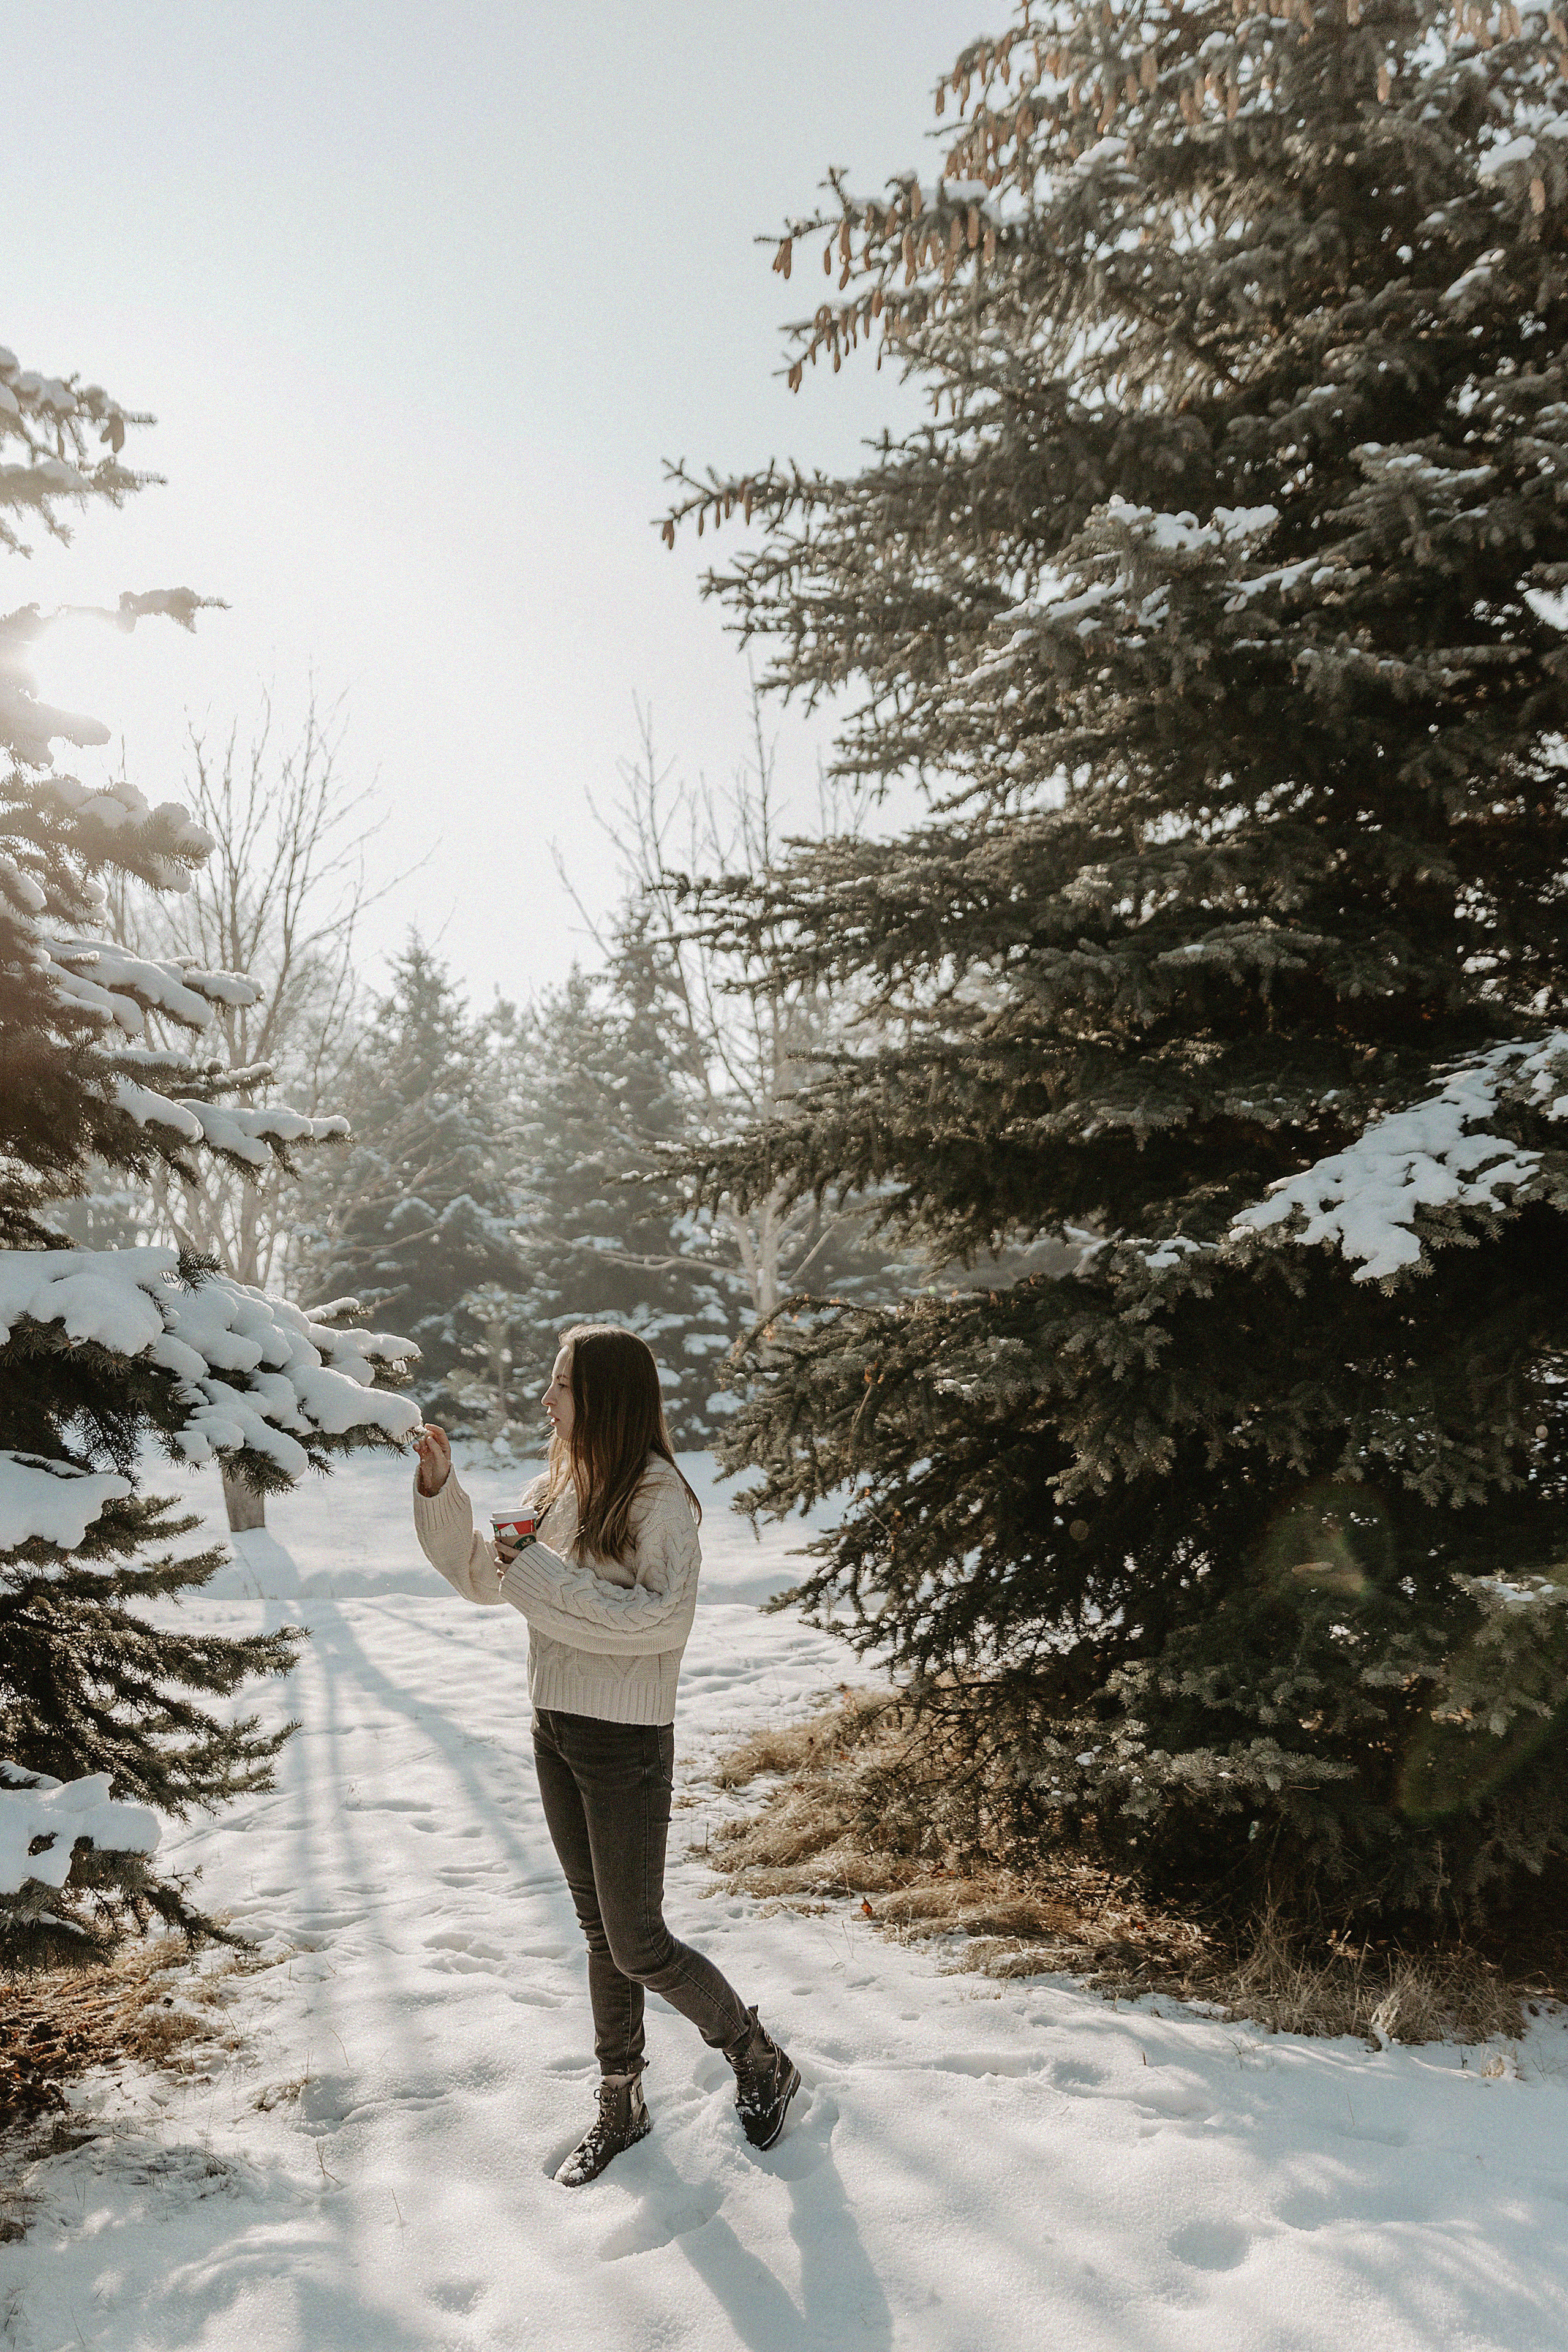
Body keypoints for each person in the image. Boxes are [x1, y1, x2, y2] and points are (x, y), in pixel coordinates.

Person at [411, 1321, 801, 2186]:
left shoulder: (659, 1500)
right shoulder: (563, 1484)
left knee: (640, 1944)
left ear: (607, 1399)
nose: (548, 1401)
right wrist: (443, 1494)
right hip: (555, 1725)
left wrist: (536, 1577)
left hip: (623, 1742)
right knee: (600, 1932)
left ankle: (757, 2055)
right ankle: (619, 2100)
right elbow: (487, 1577)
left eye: (563, 1386)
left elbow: (657, 1622)